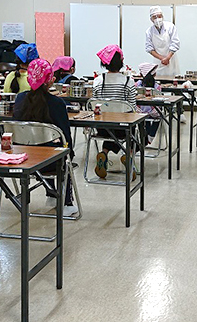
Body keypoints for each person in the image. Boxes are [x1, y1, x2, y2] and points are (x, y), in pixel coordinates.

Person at [14, 58, 78, 216]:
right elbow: (65, 137)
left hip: (22, 157)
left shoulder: (19, 99)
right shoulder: (57, 103)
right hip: (49, 162)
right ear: (50, 81)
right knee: (63, 152)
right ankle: (66, 203)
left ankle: (50, 193)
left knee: (44, 147)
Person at [93, 45, 137, 179]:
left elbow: (95, 104)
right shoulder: (128, 81)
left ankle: (104, 153)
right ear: (121, 62)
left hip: (103, 127)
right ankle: (128, 156)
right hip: (123, 127)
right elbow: (132, 107)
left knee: (111, 129)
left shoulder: (98, 81)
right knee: (133, 128)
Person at [145, 6, 180, 76]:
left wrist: (168, 58)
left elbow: (175, 43)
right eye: (154, 17)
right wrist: (162, 59)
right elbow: (149, 48)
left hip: (171, 61)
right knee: (159, 81)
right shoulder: (149, 31)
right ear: (151, 19)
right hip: (158, 62)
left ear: (162, 16)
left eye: (159, 16)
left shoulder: (170, 27)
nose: (157, 19)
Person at [135, 62, 162, 145]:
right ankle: (151, 136)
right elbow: (159, 100)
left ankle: (144, 136)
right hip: (154, 111)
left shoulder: (137, 84)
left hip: (139, 112)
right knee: (159, 116)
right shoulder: (157, 86)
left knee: (143, 118)